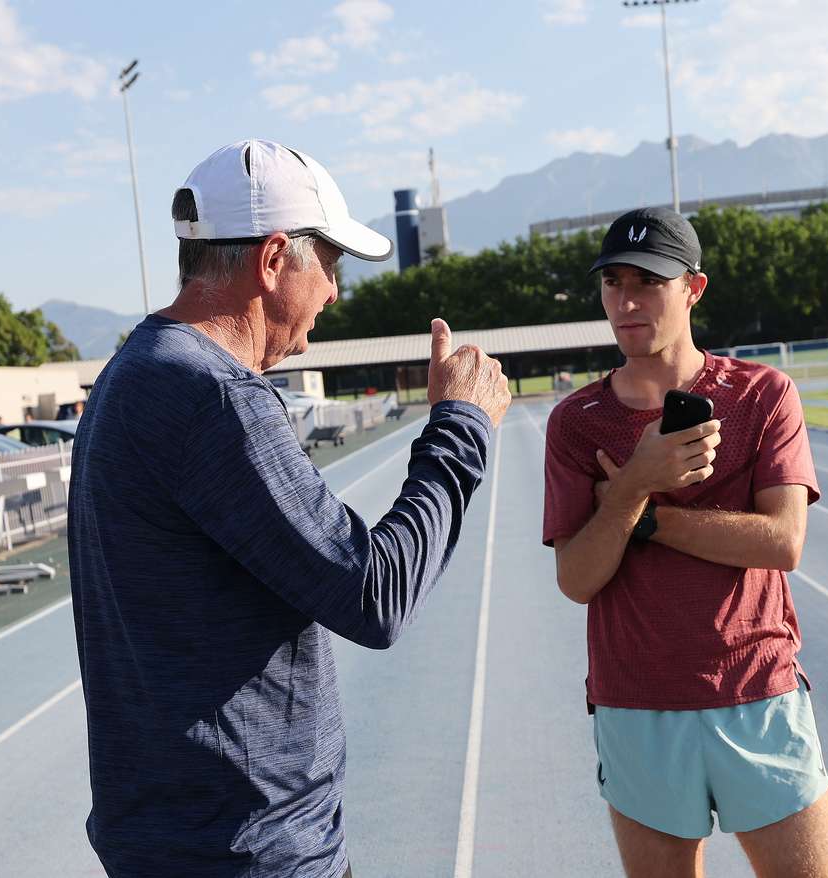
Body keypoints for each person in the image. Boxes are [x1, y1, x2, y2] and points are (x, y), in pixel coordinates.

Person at [68, 139, 510, 877]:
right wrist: (461, 428)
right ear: (273, 261)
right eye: (329, 265)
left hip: (172, 837)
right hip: (246, 848)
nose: (335, 290)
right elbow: (376, 594)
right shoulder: (213, 396)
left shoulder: (134, 370)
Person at [542, 207, 828, 878]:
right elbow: (577, 579)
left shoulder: (763, 394)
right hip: (636, 701)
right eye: (614, 281)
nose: (626, 300)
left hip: (756, 691)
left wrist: (646, 514)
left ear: (693, 290)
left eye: (648, 281)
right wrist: (635, 485)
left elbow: (784, 542)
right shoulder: (576, 423)